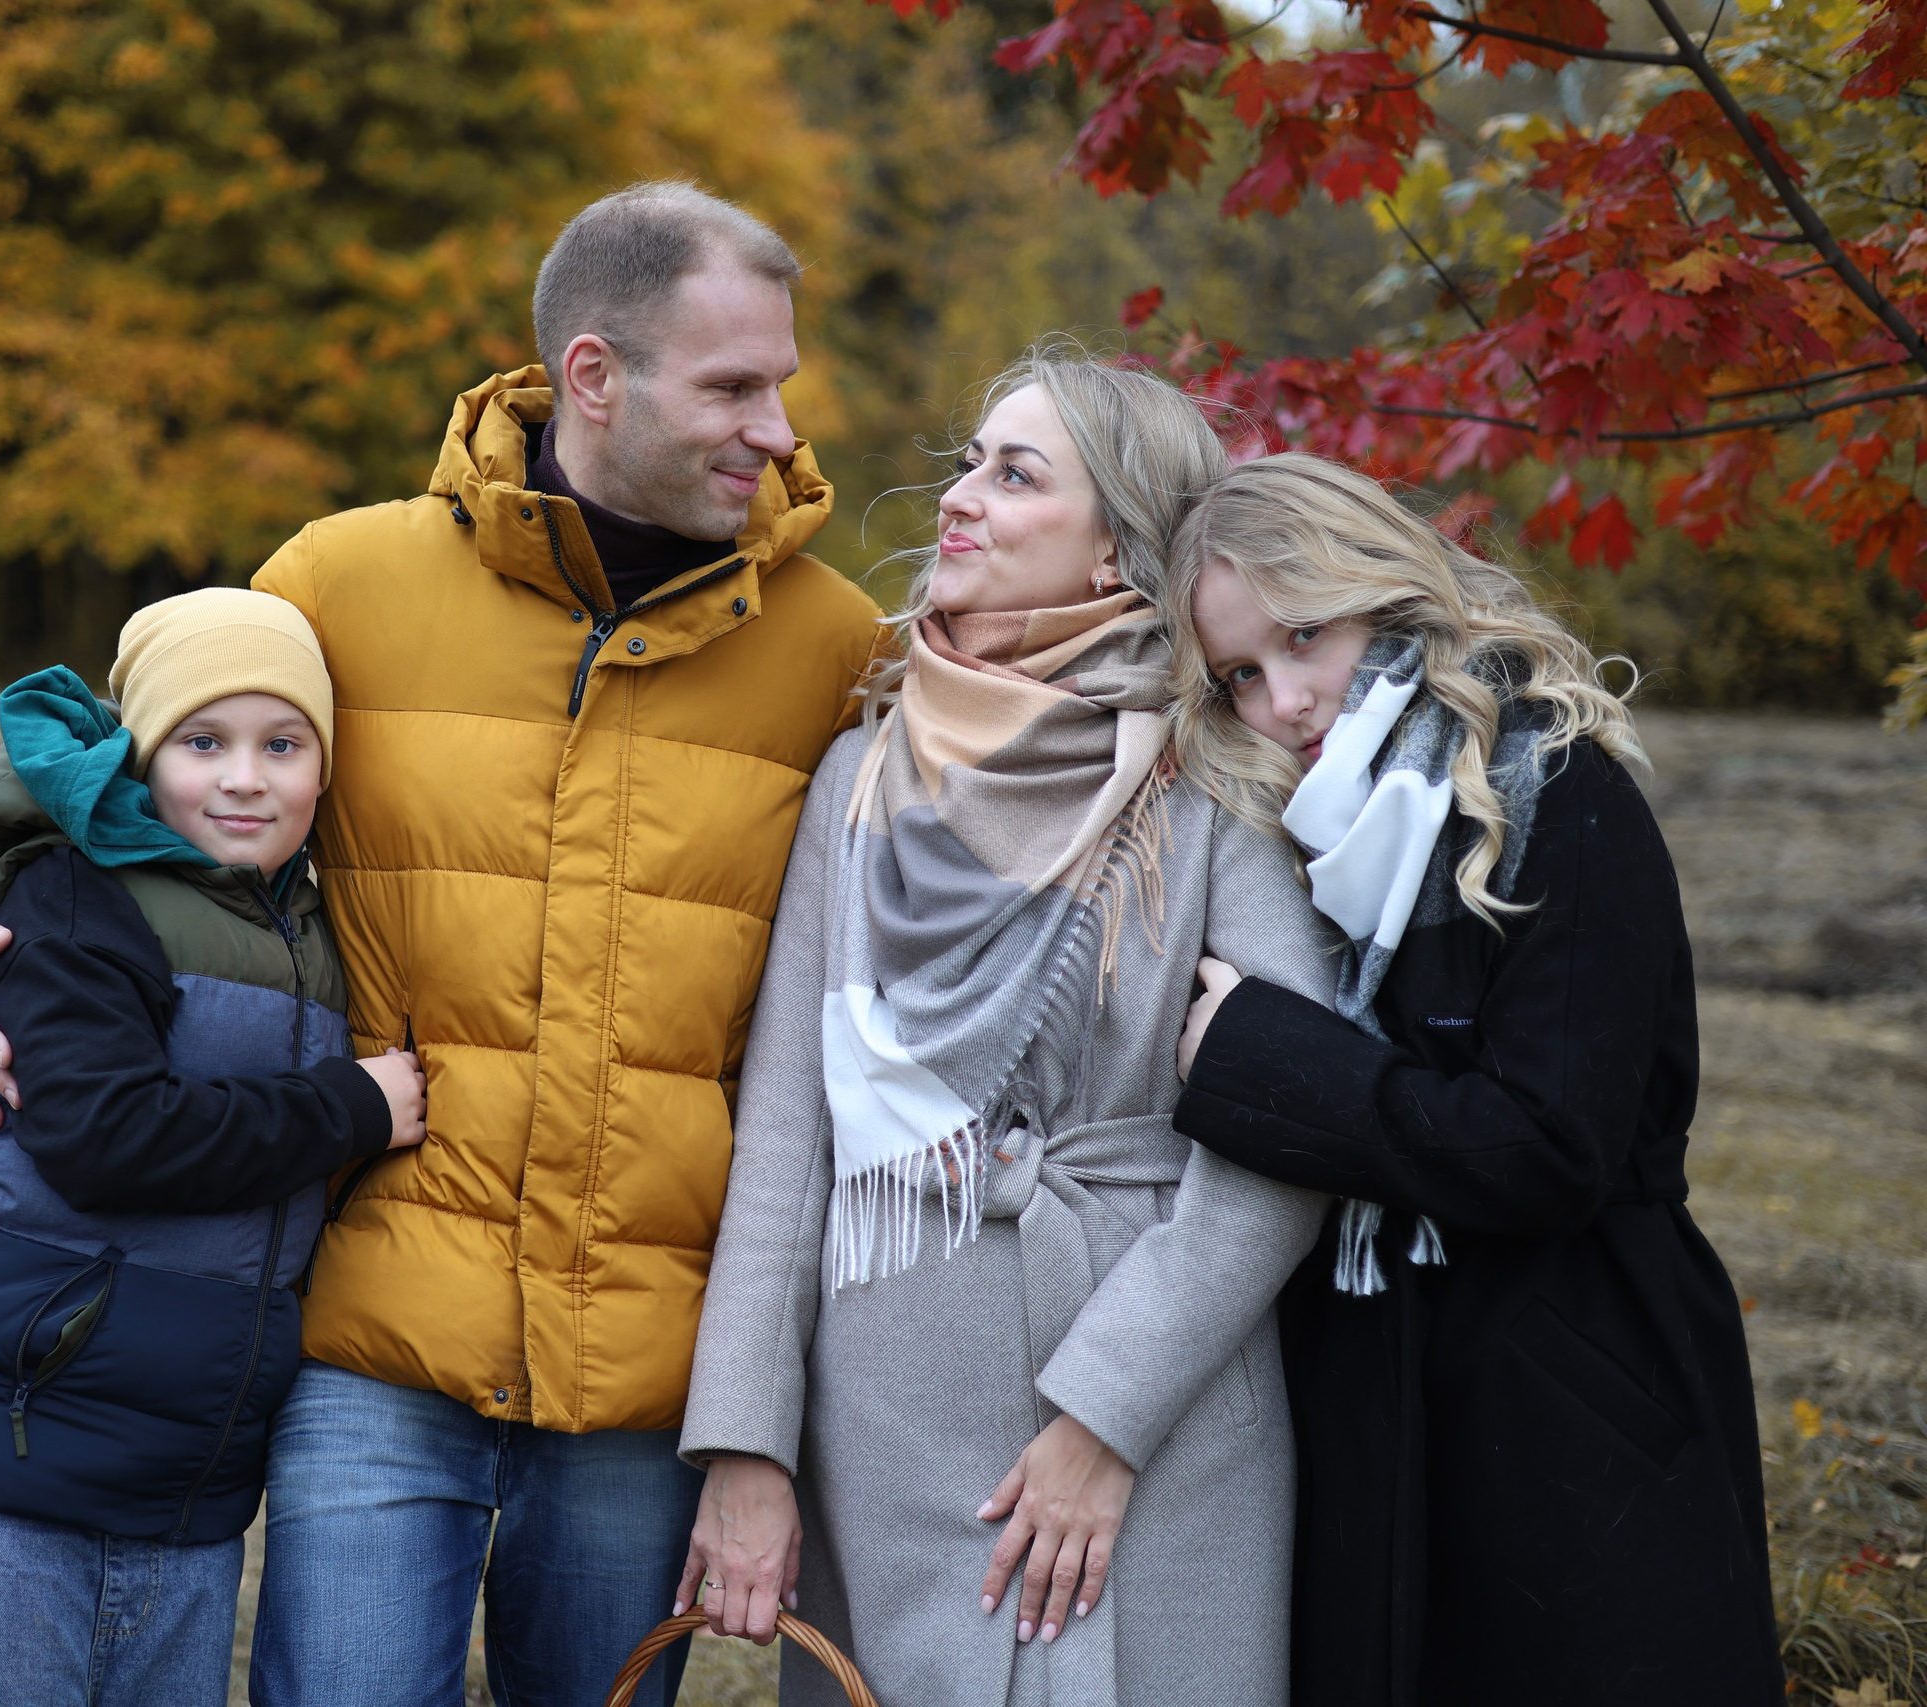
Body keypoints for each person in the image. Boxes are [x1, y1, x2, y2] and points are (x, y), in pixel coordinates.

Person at [0, 181, 885, 1706]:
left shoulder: (833, 643)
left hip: (644, 1364)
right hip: (378, 1327)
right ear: (595, 375)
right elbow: (145, 754)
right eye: (734, 383)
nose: (778, 426)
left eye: (781, 379)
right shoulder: (351, 576)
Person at [675, 345, 1342, 1706]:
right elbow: (786, 1142)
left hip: (1167, 1417)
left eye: (1017, 473)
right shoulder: (862, 773)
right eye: (971, 461)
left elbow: (1290, 1131)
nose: (961, 497)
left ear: (1117, 555)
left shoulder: (1213, 782)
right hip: (892, 1430)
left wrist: (1109, 1413)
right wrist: (748, 1444)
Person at [1160, 453, 1782, 1707]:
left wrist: (1264, 1063)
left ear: (1381, 593)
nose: (1281, 700)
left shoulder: (1556, 791)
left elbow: (1546, 1146)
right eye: (1237, 674)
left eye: (1301, 636)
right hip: (1372, 1394)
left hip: (1577, 1399)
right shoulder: (1292, 839)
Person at [0, 587, 428, 1705]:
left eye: (283, 745)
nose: (245, 776)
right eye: (203, 742)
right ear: (141, 756)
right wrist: (349, 1107)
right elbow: (105, 1137)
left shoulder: (305, 922)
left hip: (174, 1494)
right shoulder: (73, 896)